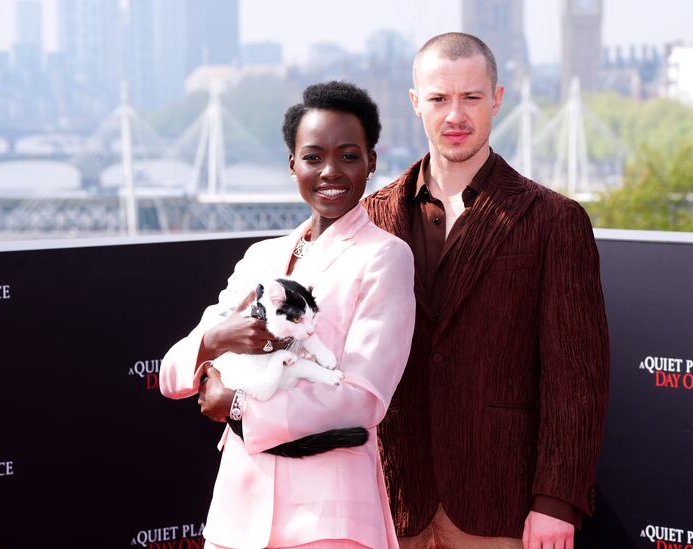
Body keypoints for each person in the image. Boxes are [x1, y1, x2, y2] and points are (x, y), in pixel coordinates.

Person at [363, 33, 610, 549]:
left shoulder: (554, 220)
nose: (455, 115)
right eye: (439, 98)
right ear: (415, 103)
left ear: (497, 99)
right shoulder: (371, 218)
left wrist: (557, 502)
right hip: (391, 496)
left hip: (503, 502)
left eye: (471, 97)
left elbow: (576, 378)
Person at [160, 81, 415, 549]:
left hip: (329, 521)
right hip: (235, 518)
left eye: (349, 155)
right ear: (292, 165)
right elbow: (173, 372)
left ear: (372, 163)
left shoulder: (385, 257)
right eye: (313, 157)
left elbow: (362, 397)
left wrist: (238, 406)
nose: (330, 172)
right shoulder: (261, 256)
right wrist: (220, 339)